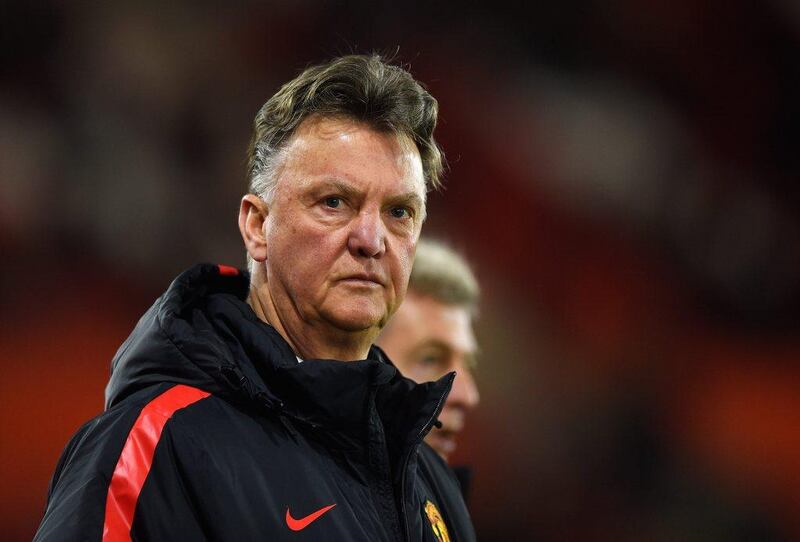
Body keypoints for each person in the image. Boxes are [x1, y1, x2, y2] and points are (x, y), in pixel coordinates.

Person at [34, 54, 475, 542]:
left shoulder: (428, 480)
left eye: (399, 212)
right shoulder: (153, 447)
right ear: (257, 226)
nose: (371, 239)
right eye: (334, 202)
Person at [376, 239, 480, 465]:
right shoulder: (296, 492)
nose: (468, 396)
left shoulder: (448, 497)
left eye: (468, 365)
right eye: (431, 359)